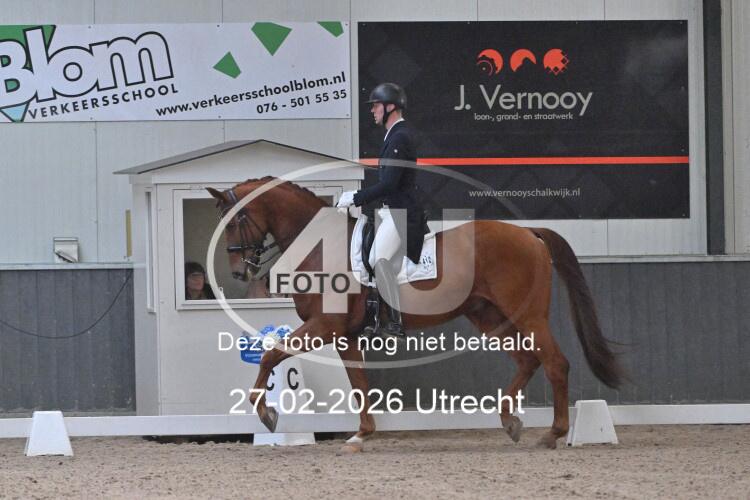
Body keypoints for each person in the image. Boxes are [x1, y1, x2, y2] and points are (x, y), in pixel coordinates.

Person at [337, 82, 427, 337]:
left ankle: (396, 322)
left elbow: (389, 184)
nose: (372, 110)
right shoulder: (393, 136)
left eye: (376, 105)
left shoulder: (400, 136)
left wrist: (356, 197)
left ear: (390, 107)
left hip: (402, 213)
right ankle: (374, 317)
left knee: (378, 259)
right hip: (390, 210)